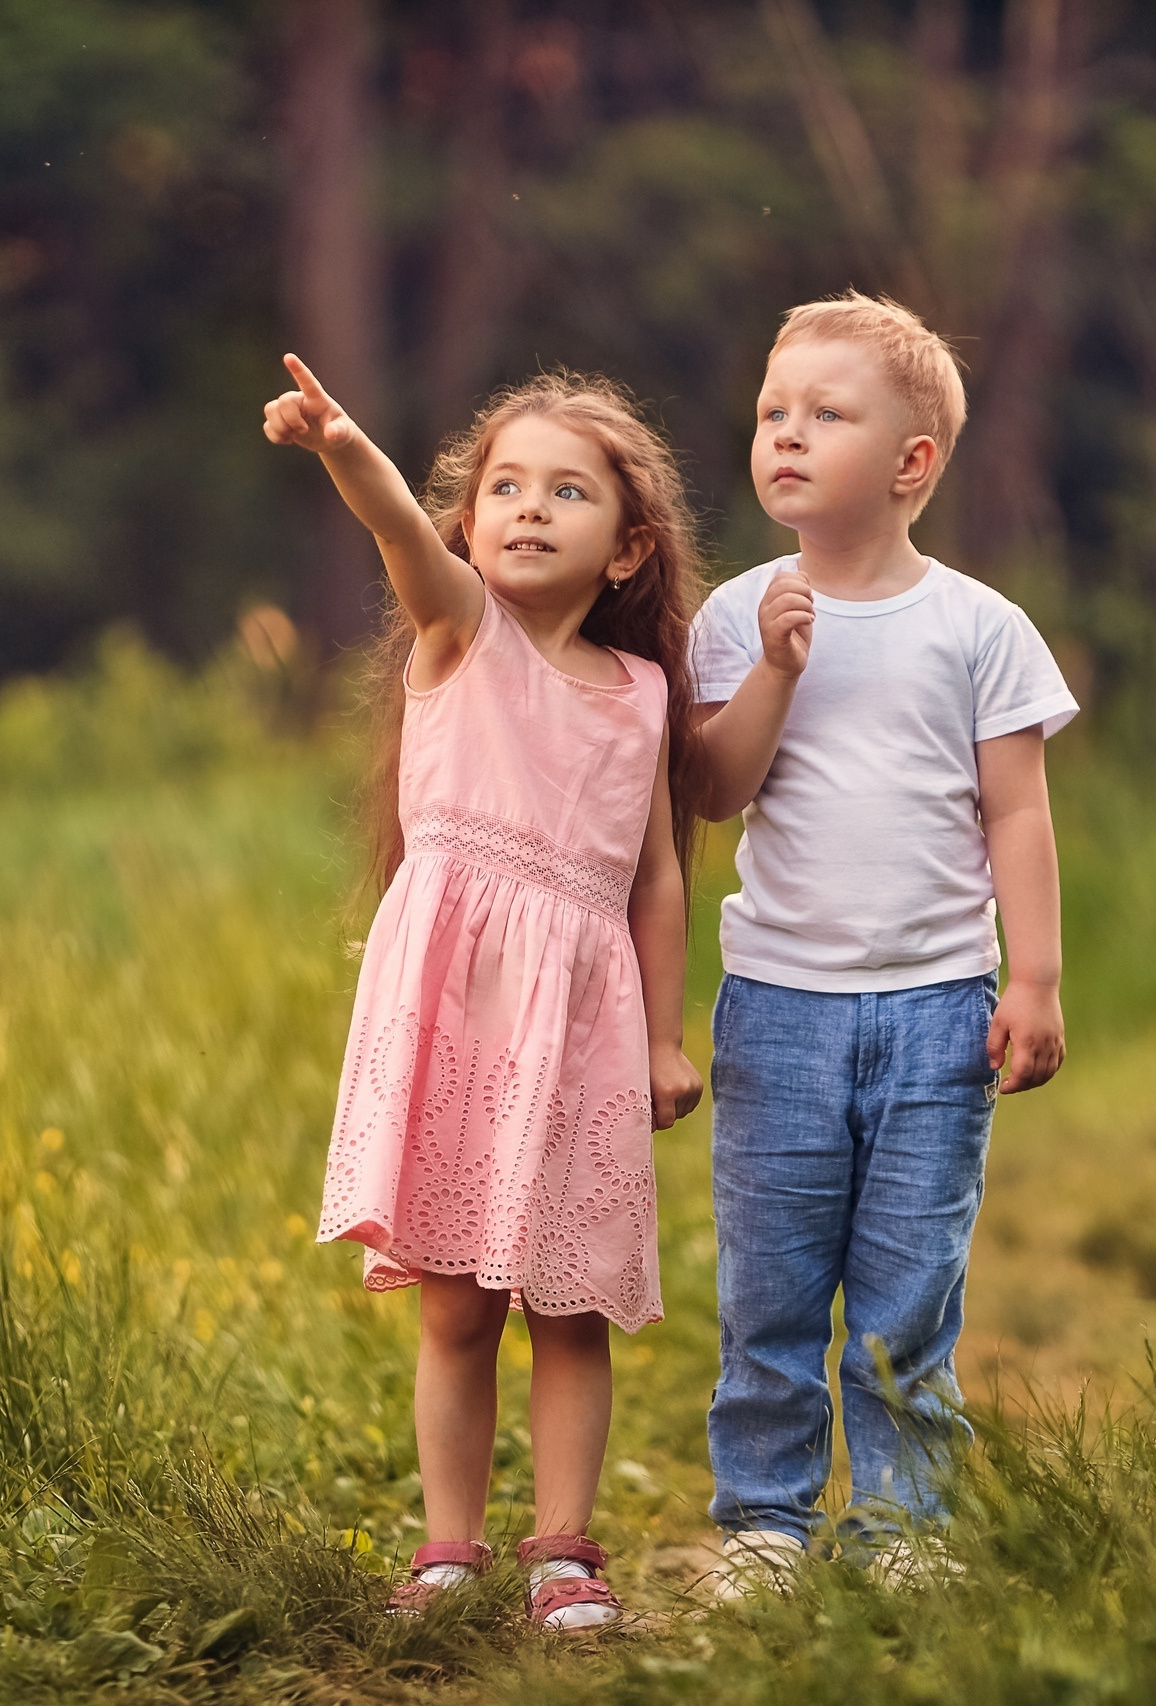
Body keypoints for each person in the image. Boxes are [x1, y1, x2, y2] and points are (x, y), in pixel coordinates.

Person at [263, 355, 707, 1630]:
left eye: (565, 492)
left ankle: (564, 1551)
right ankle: (446, 1548)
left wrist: (667, 1038)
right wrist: (345, 446)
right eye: (504, 486)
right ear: (469, 523)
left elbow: (658, 878)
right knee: (456, 1306)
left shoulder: (641, 695)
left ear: (625, 552)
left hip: (578, 1024)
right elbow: (399, 528)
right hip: (456, 1017)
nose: (526, 507)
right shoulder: (458, 630)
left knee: (570, 1305)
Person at [688, 294, 1078, 1589]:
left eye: (827, 413)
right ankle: (764, 1520)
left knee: (909, 1285)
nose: (786, 434)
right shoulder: (741, 616)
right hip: (780, 1005)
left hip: (934, 1008)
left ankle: (906, 1525)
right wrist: (777, 674)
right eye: (772, 412)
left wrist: (1033, 977)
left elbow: (1016, 809)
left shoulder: (978, 626)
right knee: (774, 1284)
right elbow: (714, 791)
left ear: (913, 462)